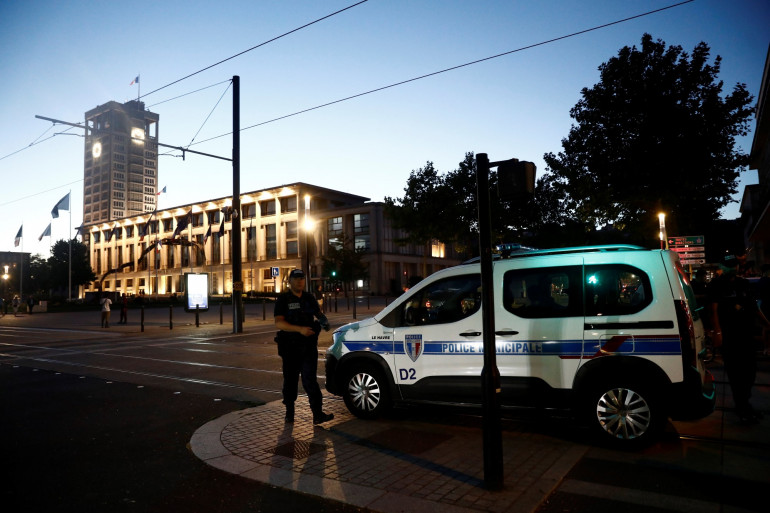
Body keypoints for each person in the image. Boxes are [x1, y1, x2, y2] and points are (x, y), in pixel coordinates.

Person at [709, 254, 769, 423]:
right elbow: (713, 310)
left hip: (746, 335)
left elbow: (754, 307)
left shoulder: (743, 283)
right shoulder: (717, 285)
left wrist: (767, 323)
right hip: (729, 337)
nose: (733, 268)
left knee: (750, 373)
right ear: (723, 266)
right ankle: (742, 408)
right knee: (736, 375)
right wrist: (717, 332)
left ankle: (744, 405)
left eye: (735, 265)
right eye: (730, 265)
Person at [274, 269, 334, 424]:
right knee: (290, 380)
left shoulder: (308, 298)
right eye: (296, 279)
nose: (300, 281)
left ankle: (317, 414)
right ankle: (289, 413)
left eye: (302, 278)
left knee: (310, 380)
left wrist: (323, 321)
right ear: (290, 282)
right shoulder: (283, 299)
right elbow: (279, 322)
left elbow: (318, 313)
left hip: (308, 347)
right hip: (290, 347)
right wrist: (299, 329)